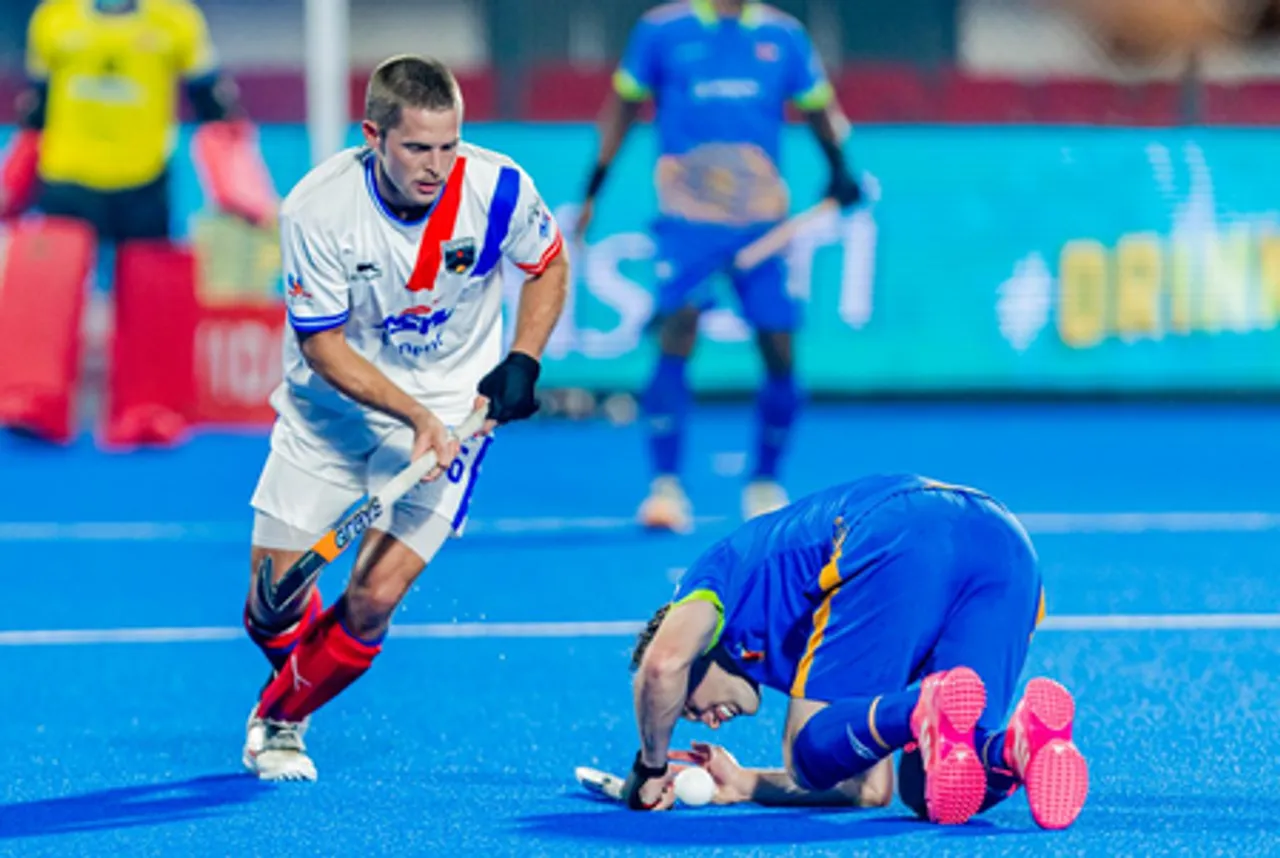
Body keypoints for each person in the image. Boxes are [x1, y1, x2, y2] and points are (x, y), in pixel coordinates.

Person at [238, 55, 568, 781]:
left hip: (453, 416)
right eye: (418, 147)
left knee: (371, 600)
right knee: (265, 612)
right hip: (329, 417)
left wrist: (524, 358)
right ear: (373, 136)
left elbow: (546, 263)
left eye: (449, 145)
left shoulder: (498, 187)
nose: (437, 165)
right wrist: (411, 413)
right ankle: (301, 666)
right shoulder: (317, 209)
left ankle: (282, 718)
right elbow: (322, 348)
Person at [620, 474, 1089, 830]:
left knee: (804, 752)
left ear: (700, 653)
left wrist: (651, 768)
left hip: (901, 530)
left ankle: (924, 706)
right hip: (1005, 546)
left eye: (686, 706)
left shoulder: (711, 580)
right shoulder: (790, 640)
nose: (705, 719)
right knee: (929, 787)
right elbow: (868, 788)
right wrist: (746, 783)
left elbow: (661, 665)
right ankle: (1019, 746)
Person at [576, 0, 863, 531]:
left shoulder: (785, 36)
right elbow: (622, 107)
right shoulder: (662, 31)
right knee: (677, 334)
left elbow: (820, 108)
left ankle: (765, 483)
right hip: (688, 222)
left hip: (763, 224)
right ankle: (665, 488)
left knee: (779, 347)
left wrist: (840, 167)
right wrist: (594, 185)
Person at [0, 0, 274, 445]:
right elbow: (36, 108)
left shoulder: (176, 19)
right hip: (65, 175)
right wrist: (15, 181)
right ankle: (34, 400)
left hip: (144, 177)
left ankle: (148, 409)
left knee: (150, 298)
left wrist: (240, 182)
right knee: (46, 298)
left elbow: (212, 101)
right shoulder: (54, 17)